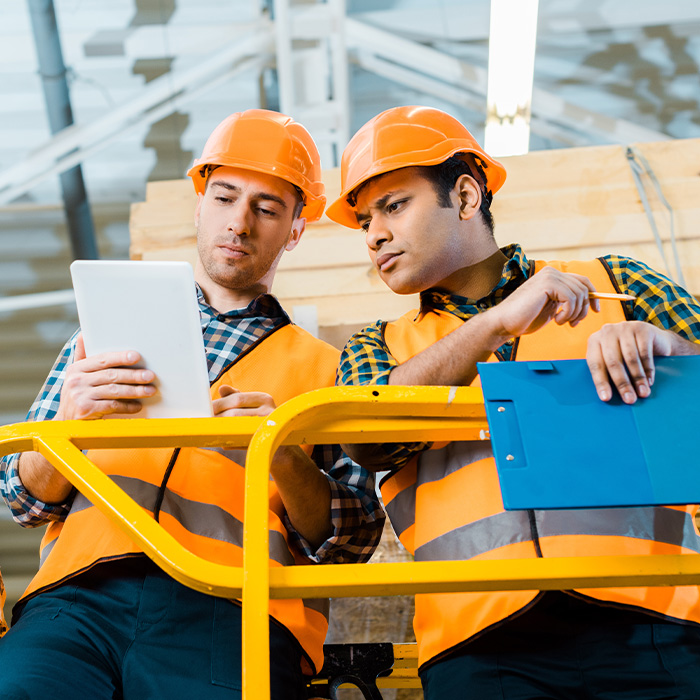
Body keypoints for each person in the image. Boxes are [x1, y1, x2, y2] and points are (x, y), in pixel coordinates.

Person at [0, 109, 384, 700]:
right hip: (75, 603)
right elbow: (20, 497)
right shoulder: (97, 337)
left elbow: (350, 541)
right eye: (226, 197)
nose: (240, 222)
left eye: (267, 207)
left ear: (296, 230)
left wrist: (279, 453)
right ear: (199, 203)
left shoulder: (328, 370)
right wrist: (65, 425)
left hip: (229, 611)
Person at [327, 105, 700, 699]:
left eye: (394, 205)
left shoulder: (619, 285)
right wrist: (499, 323)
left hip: (656, 623)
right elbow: (369, 441)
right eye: (365, 219)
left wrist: (668, 348)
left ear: (468, 196)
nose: (373, 234)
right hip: (480, 646)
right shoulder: (377, 349)